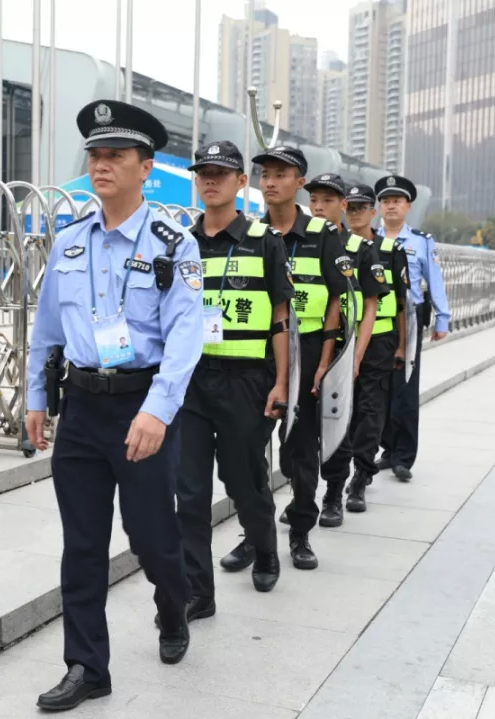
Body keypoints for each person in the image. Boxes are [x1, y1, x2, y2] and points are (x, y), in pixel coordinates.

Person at [25, 100, 204, 712]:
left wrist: (158, 411)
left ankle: (173, 604)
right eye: (95, 155)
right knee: (82, 544)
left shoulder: (173, 245)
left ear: (145, 167)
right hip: (81, 408)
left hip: (141, 406)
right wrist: (37, 396)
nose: (100, 165)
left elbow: (186, 336)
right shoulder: (70, 241)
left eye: (115, 156)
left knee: (151, 537)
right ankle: (86, 666)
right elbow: (47, 327)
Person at [174, 140, 292, 618]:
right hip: (191, 382)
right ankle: (197, 593)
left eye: (221, 173)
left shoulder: (265, 241)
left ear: (241, 182)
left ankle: (264, 549)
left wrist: (282, 383)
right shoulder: (181, 242)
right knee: (189, 492)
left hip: (247, 381)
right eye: (203, 172)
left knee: (244, 481)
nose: (210, 180)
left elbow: (282, 319)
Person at [255, 146, 350, 570]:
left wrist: (325, 363)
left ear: (299, 182)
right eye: (265, 175)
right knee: (249, 446)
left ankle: (299, 532)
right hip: (257, 350)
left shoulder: (322, 233)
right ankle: (253, 533)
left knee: (301, 446)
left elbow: (335, 300)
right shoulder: (251, 232)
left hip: (308, 350)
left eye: (281, 174)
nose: (270, 182)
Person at [304, 174, 388, 525]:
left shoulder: (359, 248)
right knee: (301, 429)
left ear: (342, 205)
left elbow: (371, 304)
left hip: (342, 348)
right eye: (314, 200)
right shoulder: (300, 242)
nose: (318, 207)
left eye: (327, 201)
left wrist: (356, 355)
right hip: (306, 345)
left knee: (337, 421)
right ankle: (302, 496)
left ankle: (333, 494)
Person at [376, 174, 450, 482]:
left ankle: (404, 457)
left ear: (407, 207)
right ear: (379, 207)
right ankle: (387, 448)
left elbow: (434, 281)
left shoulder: (421, 241)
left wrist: (442, 318)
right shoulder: (369, 238)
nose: (391, 206)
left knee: (405, 386)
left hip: (409, 317)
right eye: (385, 201)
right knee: (378, 385)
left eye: (397, 201)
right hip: (377, 318)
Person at [341, 184, 410, 512]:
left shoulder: (389, 249)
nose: (355, 214)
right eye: (351, 207)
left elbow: (402, 303)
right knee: (345, 410)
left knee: (371, 410)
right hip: (343, 339)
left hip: (380, 341)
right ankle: (339, 473)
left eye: (362, 208)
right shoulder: (335, 246)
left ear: (373, 212)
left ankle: (360, 476)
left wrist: (402, 346)